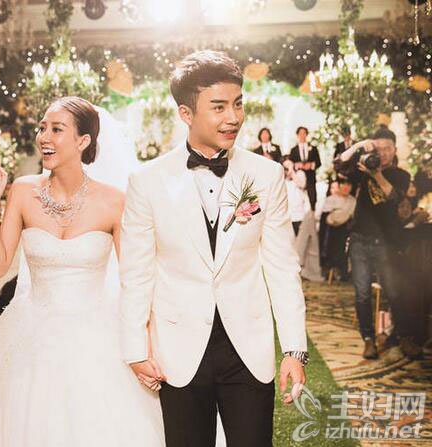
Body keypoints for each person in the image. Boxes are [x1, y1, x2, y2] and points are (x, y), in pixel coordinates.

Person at [0, 97, 165, 446]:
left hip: (96, 335)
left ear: (83, 141)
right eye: (42, 128)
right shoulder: (23, 191)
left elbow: (134, 279)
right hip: (29, 332)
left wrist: (144, 341)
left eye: (56, 129)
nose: (44, 137)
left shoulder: (114, 200)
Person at [119, 50, 308, 447]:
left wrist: (294, 348)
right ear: (186, 113)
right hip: (178, 350)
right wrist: (135, 348)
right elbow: (137, 273)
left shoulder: (266, 174)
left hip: (248, 349)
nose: (233, 117)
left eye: (238, 104)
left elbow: (282, 267)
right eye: (219, 107)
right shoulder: (147, 181)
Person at [334, 127, 411, 359]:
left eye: (387, 148)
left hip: (384, 242)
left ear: (394, 149)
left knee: (393, 292)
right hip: (359, 240)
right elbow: (338, 164)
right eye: (379, 148)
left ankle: (400, 335)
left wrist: (376, 174)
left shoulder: (400, 175)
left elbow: (393, 197)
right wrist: (359, 145)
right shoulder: (363, 169)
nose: (383, 153)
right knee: (362, 294)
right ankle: (368, 340)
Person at [320, 179, 356, 281]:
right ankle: (330, 270)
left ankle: (344, 272)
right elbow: (325, 218)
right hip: (332, 231)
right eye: (343, 184)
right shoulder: (331, 200)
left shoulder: (353, 201)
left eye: (348, 185)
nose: (346, 187)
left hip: (348, 229)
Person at [289, 126, 322, 210]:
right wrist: (297, 165)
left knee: (312, 199)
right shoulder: (293, 150)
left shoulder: (313, 148)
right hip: (299, 179)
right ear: (297, 135)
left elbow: (318, 162)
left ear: (306, 134)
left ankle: (312, 213)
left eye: (304, 133)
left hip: (311, 177)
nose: (302, 135)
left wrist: (311, 165)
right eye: (300, 133)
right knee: (299, 201)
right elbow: (290, 164)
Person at [282, 156, 309, 235]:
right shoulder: (282, 177)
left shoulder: (300, 173)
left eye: (289, 164)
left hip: (300, 213)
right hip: (287, 215)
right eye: (286, 165)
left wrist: (292, 171)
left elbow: (302, 184)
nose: (288, 167)